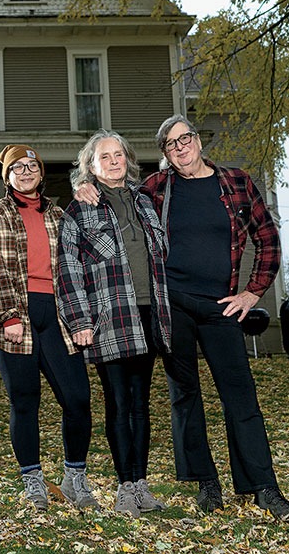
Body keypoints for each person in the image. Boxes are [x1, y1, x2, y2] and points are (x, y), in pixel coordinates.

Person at [143, 114, 289, 524]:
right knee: (184, 395)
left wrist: (253, 291)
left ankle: (264, 488)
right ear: (166, 155)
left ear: (198, 141)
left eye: (185, 138)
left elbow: (268, 240)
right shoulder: (155, 188)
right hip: (173, 306)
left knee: (240, 397)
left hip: (222, 306)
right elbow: (117, 208)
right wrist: (85, 186)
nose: (181, 147)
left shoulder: (236, 181)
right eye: (171, 144)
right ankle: (207, 483)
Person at [56, 130, 172, 518]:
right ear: (91, 165)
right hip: (110, 317)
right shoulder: (79, 211)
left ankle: (141, 485)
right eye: (104, 156)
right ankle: (124, 488)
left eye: (118, 154)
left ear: (128, 159)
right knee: (118, 402)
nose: (113, 160)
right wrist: (79, 321)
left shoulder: (145, 201)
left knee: (141, 404)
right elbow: (68, 271)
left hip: (149, 312)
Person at [0, 145, 97, 511]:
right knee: (25, 400)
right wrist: (10, 316)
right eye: (18, 167)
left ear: (42, 174)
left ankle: (74, 478)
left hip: (57, 312)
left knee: (77, 398)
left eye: (32, 166)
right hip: (15, 313)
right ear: (8, 176)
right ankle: (33, 482)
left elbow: (79, 261)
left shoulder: (60, 214)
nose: (26, 171)